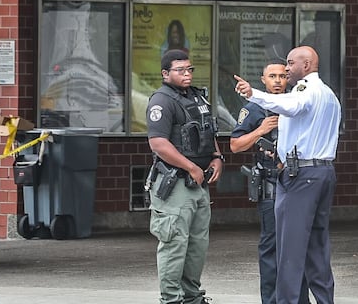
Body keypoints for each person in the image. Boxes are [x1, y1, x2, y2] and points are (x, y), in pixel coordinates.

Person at [233, 46, 341, 304]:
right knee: (317, 248)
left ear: (306, 65)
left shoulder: (304, 90)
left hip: (300, 175)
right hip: (323, 171)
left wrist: (254, 94)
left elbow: (292, 106)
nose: (287, 68)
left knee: (289, 252)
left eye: (291, 63)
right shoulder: (329, 94)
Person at [146, 49, 224, 304]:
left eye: (189, 69)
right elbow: (158, 143)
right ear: (165, 73)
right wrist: (191, 167)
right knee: (174, 244)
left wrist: (217, 158)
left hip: (199, 184)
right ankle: (171, 299)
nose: (187, 74)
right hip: (176, 182)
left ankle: (192, 297)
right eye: (180, 70)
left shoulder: (197, 98)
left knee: (197, 246)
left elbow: (207, 132)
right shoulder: (162, 101)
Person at [229, 62, 310, 304]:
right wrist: (260, 131)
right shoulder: (255, 108)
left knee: (300, 245)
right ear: (263, 80)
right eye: (272, 76)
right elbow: (235, 145)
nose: (277, 81)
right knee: (271, 247)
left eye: (282, 76)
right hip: (271, 187)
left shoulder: (297, 103)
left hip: (297, 182)